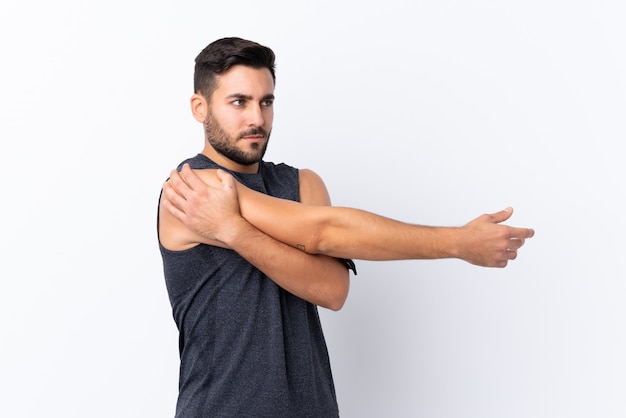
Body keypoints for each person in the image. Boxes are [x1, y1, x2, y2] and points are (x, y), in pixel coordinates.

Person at [158, 36, 534, 417]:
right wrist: (458, 242)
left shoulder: (303, 185)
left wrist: (235, 231)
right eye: (239, 102)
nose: (256, 118)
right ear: (199, 107)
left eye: (266, 102)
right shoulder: (192, 189)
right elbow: (321, 233)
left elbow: (333, 289)